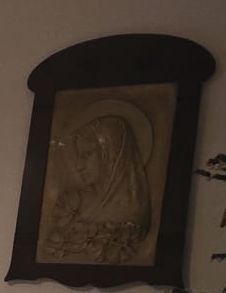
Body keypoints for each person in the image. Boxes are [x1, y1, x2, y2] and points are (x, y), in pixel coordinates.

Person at [40, 112, 152, 263]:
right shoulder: (72, 202)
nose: (79, 166)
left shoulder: (134, 210)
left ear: (112, 154)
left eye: (86, 154)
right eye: (79, 156)